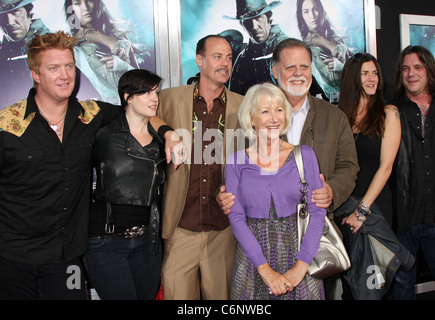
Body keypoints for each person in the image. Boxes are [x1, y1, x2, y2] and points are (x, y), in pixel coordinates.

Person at [0, 31, 181, 300]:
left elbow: (138, 112)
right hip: (12, 258)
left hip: (66, 258)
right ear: (35, 74)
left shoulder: (91, 114)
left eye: (69, 66)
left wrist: (168, 133)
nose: (65, 75)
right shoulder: (7, 125)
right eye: (53, 68)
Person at [219, 38, 358, 217]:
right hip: (264, 230)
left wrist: (332, 191)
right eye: (290, 67)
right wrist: (222, 193)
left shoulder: (334, 117)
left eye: (304, 67)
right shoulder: (250, 118)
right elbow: (229, 168)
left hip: (317, 227)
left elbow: (348, 166)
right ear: (275, 71)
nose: (298, 74)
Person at [157, 35, 244, 300]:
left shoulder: (243, 106)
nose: (225, 63)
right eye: (217, 56)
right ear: (199, 60)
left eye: (229, 58)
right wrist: (166, 132)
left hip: (223, 229)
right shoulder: (169, 99)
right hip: (181, 225)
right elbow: (141, 113)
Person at [226, 82, 326, 300]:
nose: (274, 118)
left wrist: (301, 267)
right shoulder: (235, 162)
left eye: (279, 110)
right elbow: (236, 218)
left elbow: (318, 213)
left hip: (300, 259)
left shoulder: (305, 155)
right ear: (251, 119)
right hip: (253, 264)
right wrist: (266, 271)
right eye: (265, 111)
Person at [334, 53, 416, 299]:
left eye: (375, 73)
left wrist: (361, 211)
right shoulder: (339, 115)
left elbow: (386, 167)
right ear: (352, 79)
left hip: (373, 209)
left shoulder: (388, 113)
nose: (372, 79)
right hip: (342, 210)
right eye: (365, 73)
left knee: (374, 284)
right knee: (352, 282)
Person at [83, 69, 166, 300]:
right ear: (127, 96)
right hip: (106, 241)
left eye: (156, 92)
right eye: (146, 92)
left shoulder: (161, 142)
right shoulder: (104, 136)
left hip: (148, 243)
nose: (154, 98)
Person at [389, 45, 435, 300]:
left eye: (417, 67)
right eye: (405, 68)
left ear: (429, 70)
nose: (410, 73)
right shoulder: (390, 111)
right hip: (402, 221)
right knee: (401, 291)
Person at [64, 0, 143, 104]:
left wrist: (123, 65)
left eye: (89, 1)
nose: (85, 7)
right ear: (71, 8)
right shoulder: (73, 44)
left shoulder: (118, 34)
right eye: (78, 3)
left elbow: (142, 81)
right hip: (113, 108)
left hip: (138, 103)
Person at [224, 0, 288, 95]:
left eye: (258, 18)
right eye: (247, 21)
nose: (254, 27)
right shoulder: (243, 57)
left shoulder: (289, 48)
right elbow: (234, 98)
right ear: (243, 25)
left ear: (269, 19)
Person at [296, 0, 351, 103]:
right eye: (306, 11)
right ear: (301, 16)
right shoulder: (302, 48)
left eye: (315, 9)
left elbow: (356, 72)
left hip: (347, 101)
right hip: (323, 102)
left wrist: (341, 66)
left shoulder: (336, 37)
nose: (312, 15)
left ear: (321, 10)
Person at [0, 0, 49, 107]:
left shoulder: (53, 47)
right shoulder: (3, 52)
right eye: (2, 15)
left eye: (15, 12)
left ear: (29, 13)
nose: (10, 21)